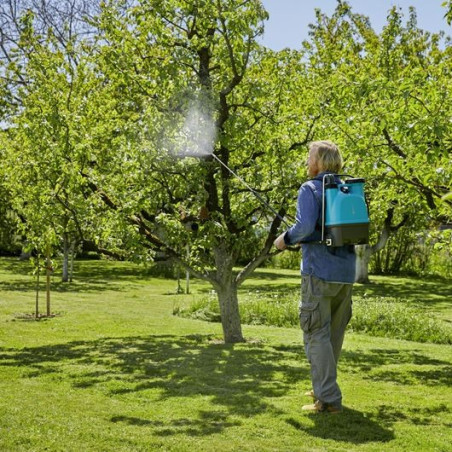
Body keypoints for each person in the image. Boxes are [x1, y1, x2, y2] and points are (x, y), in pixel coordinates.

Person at [274, 140, 355, 414]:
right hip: (345, 274)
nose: (307, 163)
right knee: (333, 334)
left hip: (318, 272)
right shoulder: (347, 189)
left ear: (319, 161)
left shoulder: (309, 189)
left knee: (315, 333)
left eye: (309, 157)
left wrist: (285, 239)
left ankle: (328, 400)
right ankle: (322, 387)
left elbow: (305, 226)